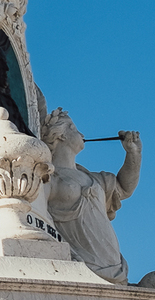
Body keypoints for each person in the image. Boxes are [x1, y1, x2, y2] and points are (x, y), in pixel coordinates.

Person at [41, 110, 139, 281]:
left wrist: (133, 154)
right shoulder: (48, 178)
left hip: (113, 265)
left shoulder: (92, 178)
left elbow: (124, 188)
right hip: (81, 265)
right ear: (61, 135)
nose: (82, 134)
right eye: (74, 129)